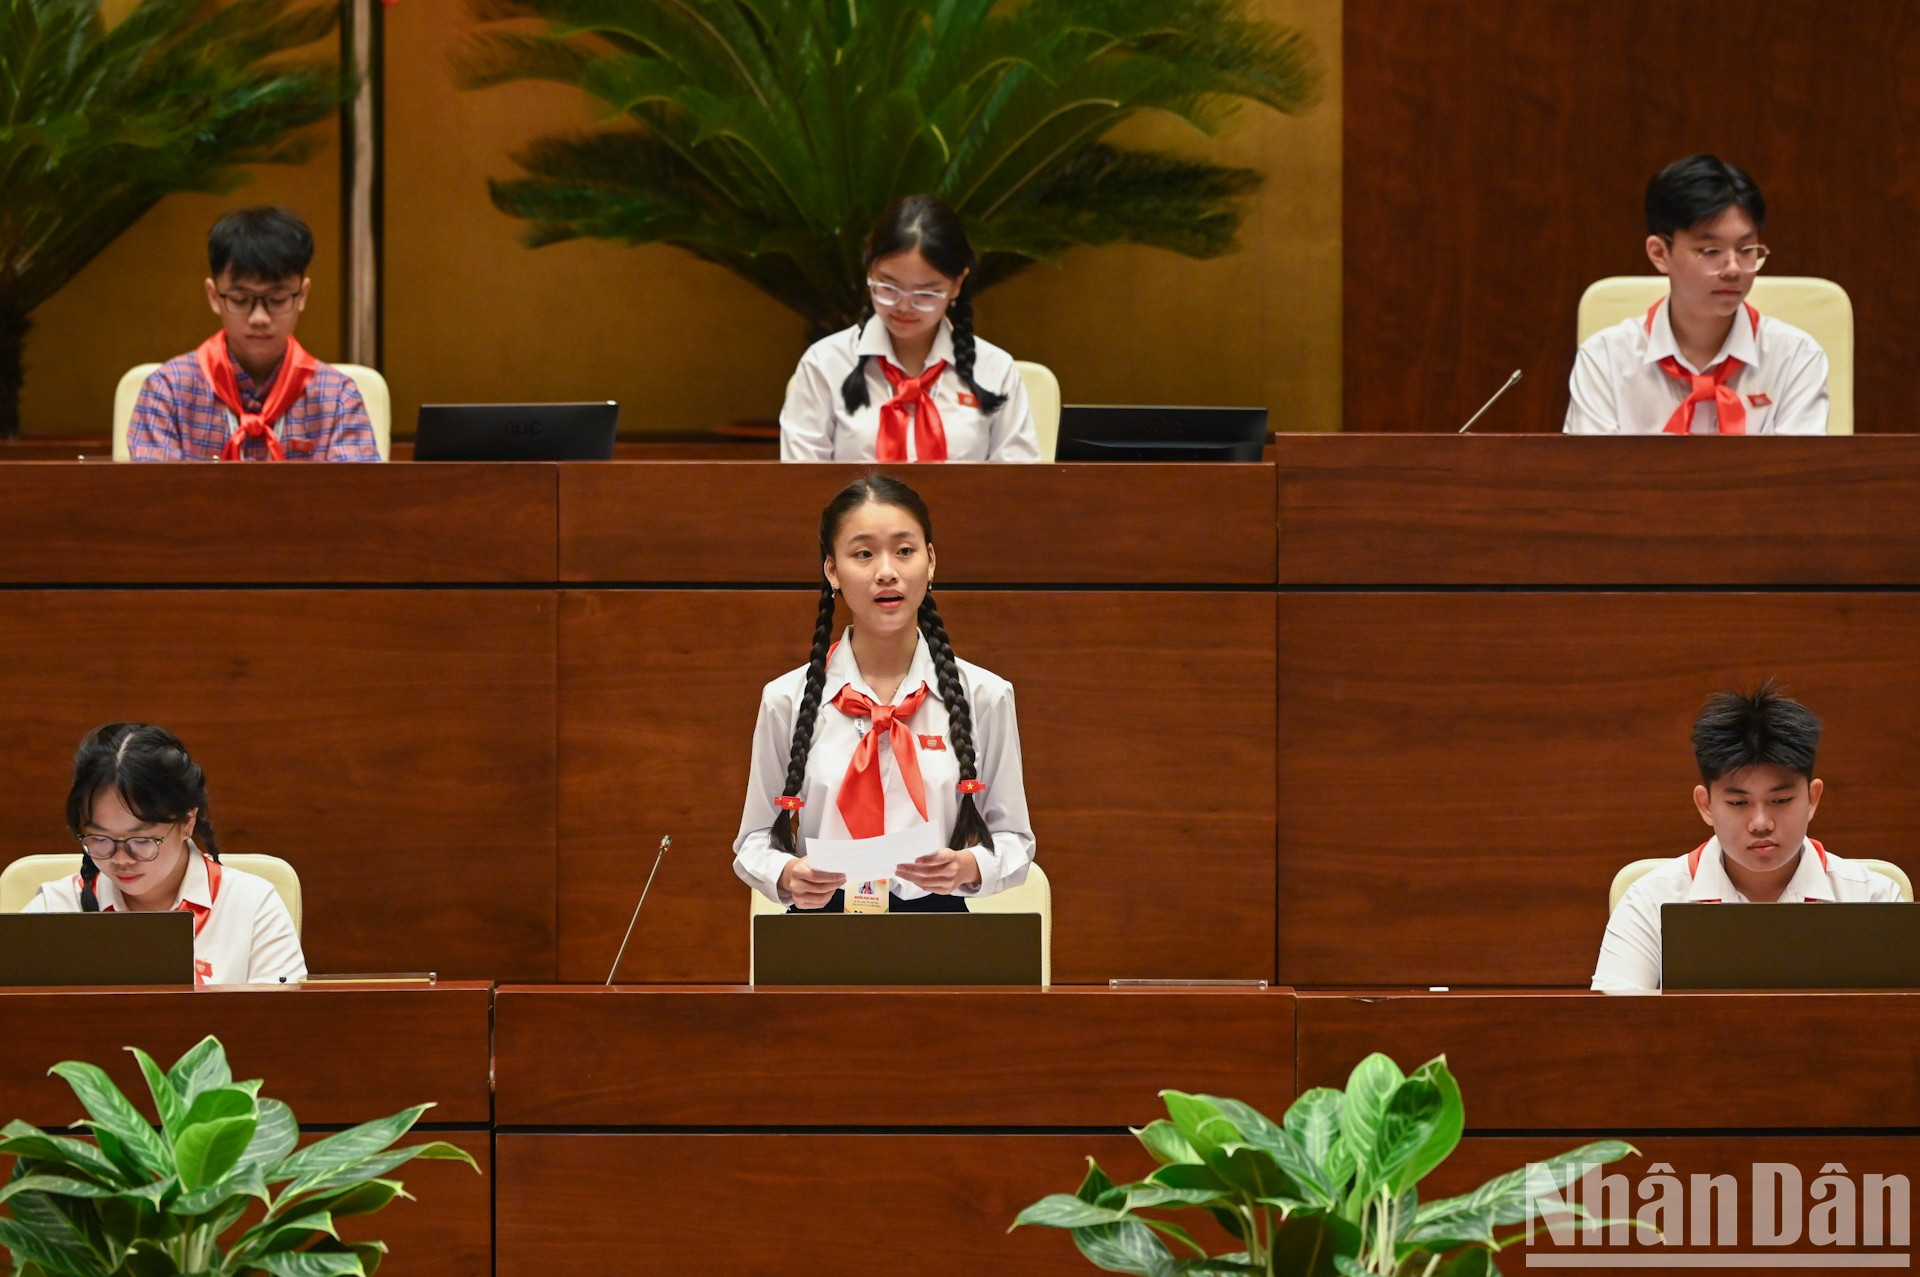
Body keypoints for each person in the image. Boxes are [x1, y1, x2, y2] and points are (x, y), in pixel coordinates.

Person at [733, 474, 1035, 910]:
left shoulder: (985, 696)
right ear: (832, 569)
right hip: (819, 925)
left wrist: (967, 867)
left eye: (905, 551)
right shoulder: (786, 699)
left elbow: (1015, 840)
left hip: (937, 920)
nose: (887, 571)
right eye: (863, 554)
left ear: (930, 562)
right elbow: (753, 842)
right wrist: (788, 873)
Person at [1592, 683, 1903, 991]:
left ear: (1812, 799)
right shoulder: (1651, 899)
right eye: (1738, 803)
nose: (1761, 823)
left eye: (1781, 801)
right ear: (1706, 805)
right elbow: (1613, 1024)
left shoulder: (1874, 898)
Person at [1564, 155, 1828, 435]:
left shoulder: (1796, 358)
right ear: (1659, 253)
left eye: (1747, 250)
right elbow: (1594, 477)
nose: (1733, 269)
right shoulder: (1605, 359)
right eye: (1710, 251)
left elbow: (1798, 477)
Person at [26, 723, 307, 986]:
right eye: (100, 839)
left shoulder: (252, 905)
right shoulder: (55, 909)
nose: (121, 858)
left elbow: (284, 1026)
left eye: (142, 840)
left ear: (187, 822)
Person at [780, 196, 1040, 462]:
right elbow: (801, 485)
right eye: (888, 286)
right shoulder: (825, 365)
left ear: (957, 284)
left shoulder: (995, 370)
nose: (904, 306)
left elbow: (1017, 490)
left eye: (926, 293)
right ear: (870, 268)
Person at [128, 207, 380, 462]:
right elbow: (153, 498)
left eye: (278, 299)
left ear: (302, 295)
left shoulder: (338, 397)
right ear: (214, 296)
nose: (259, 318)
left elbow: (356, 498)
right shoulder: (168, 391)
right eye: (240, 300)